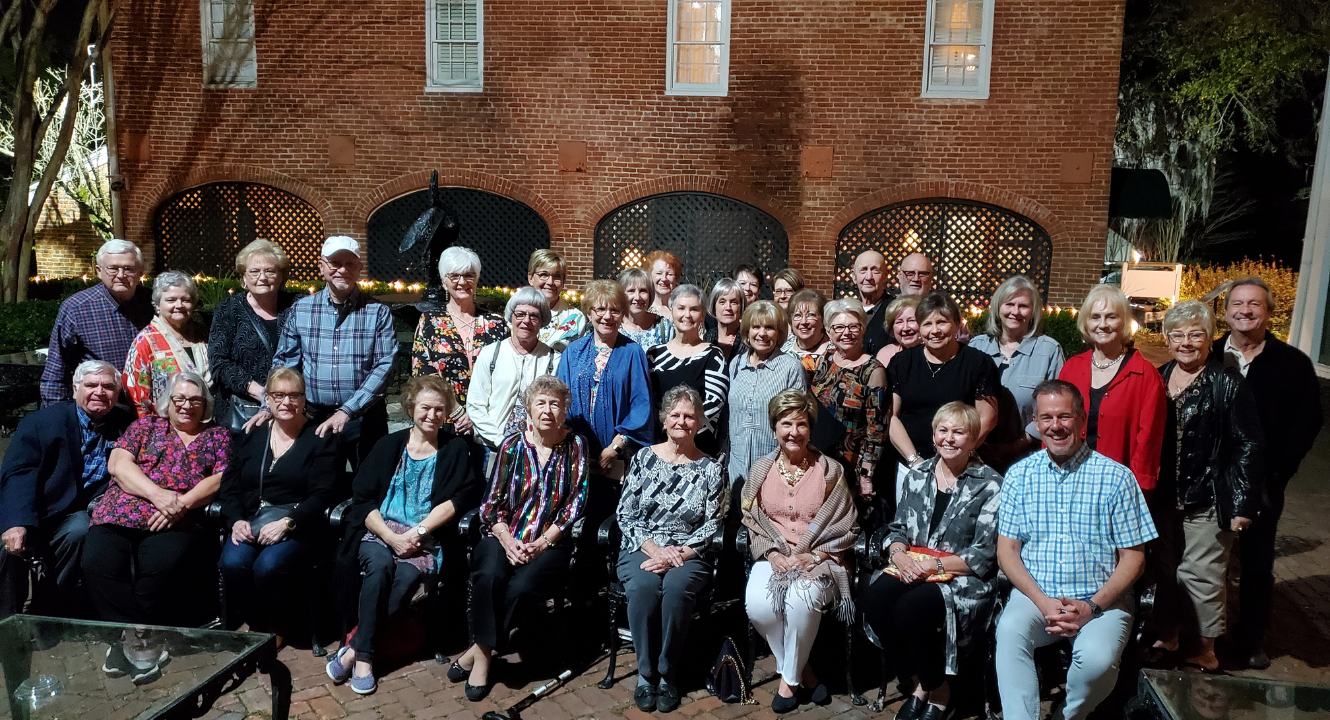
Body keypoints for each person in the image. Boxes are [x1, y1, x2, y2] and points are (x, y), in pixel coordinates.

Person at [995, 380, 1157, 720]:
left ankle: (1069, 716)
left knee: (1098, 660)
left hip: (1100, 598)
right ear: (1036, 423)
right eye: (1047, 418)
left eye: (1065, 416)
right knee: (1010, 633)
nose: (1056, 426)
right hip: (1036, 596)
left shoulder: (1117, 478)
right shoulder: (1019, 476)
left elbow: (1135, 558)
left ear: (1082, 420)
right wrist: (1042, 602)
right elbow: (1007, 550)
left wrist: (1091, 606)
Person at [326, 375, 481, 695]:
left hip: (424, 539)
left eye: (440, 409)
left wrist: (418, 531)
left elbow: (459, 499)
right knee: (380, 568)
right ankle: (366, 659)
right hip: (380, 532)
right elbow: (363, 499)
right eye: (425, 407)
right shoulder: (387, 447)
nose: (432, 415)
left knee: (408, 576)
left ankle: (353, 648)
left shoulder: (454, 450)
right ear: (411, 408)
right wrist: (392, 537)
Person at [863, 402, 1002, 720]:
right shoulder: (918, 475)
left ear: (973, 438)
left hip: (961, 576)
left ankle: (939, 689)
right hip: (912, 564)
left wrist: (936, 566)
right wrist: (898, 552)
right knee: (875, 598)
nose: (949, 439)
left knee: (912, 608)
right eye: (943, 431)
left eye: (959, 432)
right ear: (933, 435)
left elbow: (985, 553)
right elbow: (896, 528)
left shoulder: (989, 484)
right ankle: (916, 682)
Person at [454, 376, 589, 701]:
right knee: (489, 575)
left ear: (564, 410)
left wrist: (542, 543)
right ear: (528, 409)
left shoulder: (576, 446)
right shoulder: (512, 445)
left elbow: (576, 502)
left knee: (521, 588)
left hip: (550, 542)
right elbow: (490, 504)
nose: (547, 410)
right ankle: (485, 660)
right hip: (504, 535)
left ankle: (479, 651)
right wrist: (507, 540)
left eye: (555, 403)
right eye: (540, 403)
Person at [1148, 301, 1264, 672]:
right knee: (1165, 569)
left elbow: (1248, 444)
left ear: (1210, 339)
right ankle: (1169, 635)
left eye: (1195, 334)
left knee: (1200, 574)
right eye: (1177, 335)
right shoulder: (1159, 375)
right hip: (1166, 496)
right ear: (1167, 340)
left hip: (1209, 495)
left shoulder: (1226, 382)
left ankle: (1205, 648)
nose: (1186, 342)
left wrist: (1243, 503)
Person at [1219, 278, 1324, 669]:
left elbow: (1308, 422)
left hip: (1263, 482)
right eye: (1238, 303)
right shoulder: (1211, 355)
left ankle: (1250, 638)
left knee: (1256, 563)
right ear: (1225, 310)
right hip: (1210, 479)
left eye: (1255, 304)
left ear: (1269, 312)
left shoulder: (1292, 363)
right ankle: (1203, 634)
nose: (1245, 310)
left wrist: (1278, 471)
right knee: (1206, 558)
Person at [741, 390, 859, 714]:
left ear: (811, 428)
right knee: (759, 606)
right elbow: (751, 518)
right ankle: (804, 672)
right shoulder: (761, 470)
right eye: (786, 423)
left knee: (802, 600)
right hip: (776, 555)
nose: (794, 431)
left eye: (801, 424)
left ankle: (788, 683)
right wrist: (773, 554)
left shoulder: (830, 470)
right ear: (774, 427)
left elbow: (846, 524)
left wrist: (813, 556)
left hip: (820, 559)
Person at [82, 372, 232, 625]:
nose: (187, 406)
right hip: (121, 510)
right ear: (168, 401)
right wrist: (158, 495)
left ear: (205, 404)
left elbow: (220, 478)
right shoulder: (145, 426)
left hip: (175, 518)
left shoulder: (218, 435)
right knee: (96, 563)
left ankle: (135, 639)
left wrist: (179, 505)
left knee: (159, 571)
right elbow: (118, 465)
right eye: (180, 398)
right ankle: (134, 636)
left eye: (196, 400)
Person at [616, 386, 727, 713]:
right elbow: (625, 513)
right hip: (641, 545)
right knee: (645, 587)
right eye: (675, 415)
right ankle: (645, 673)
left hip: (689, 552)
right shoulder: (642, 459)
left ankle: (668, 673)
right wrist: (655, 550)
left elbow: (714, 522)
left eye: (690, 416)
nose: (682, 421)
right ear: (664, 421)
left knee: (678, 589)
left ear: (699, 423)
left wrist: (684, 552)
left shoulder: (711, 468)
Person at [0, 361, 133, 619]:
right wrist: (17, 522)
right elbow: (19, 473)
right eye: (91, 385)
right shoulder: (42, 423)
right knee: (8, 550)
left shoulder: (126, 424)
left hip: (76, 514)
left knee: (81, 530)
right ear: (75, 389)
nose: (99, 392)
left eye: (108, 386)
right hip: (36, 507)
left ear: (117, 393)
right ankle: (7, 623)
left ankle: (45, 611)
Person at [262, 236, 398, 481]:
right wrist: (269, 403)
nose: (342, 270)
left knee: (368, 486)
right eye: (335, 263)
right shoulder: (301, 310)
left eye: (350, 263)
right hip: (314, 417)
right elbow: (285, 363)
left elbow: (383, 367)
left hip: (363, 419)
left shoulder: (378, 313)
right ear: (322, 266)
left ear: (359, 268)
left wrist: (347, 410)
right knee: (317, 486)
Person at [218, 368, 339, 634]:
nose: (286, 402)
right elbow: (229, 485)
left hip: (298, 523)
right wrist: (235, 520)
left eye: (294, 395)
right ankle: (256, 619)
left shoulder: (320, 438)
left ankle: (277, 626)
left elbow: (322, 494)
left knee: (268, 567)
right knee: (233, 563)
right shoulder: (252, 433)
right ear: (268, 400)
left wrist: (289, 523)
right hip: (252, 518)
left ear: (304, 400)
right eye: (278, 395)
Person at [556, 280, 653, 529]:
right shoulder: (573, 352)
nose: (607, 316)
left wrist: (615, 447)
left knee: (608, 525)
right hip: (577, 456)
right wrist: (578, 448)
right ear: (589, 313)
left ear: (622, 314)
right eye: (600, 309)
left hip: (618, 458)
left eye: (614, 310)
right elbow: (561, 402)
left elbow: (641, 404)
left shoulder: (633, 352)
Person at [888, 292, 998, 503]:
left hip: (960, 467)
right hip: (912, 465)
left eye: (942, 322)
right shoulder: (902, 363)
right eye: (927, 324)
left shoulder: (978, 364)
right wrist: (916, 461)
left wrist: (955, 456)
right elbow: (891, 416)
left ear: (957, 325)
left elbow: (987, 419)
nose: (935, 331)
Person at [1059, 284, 1165, 496]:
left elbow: (1148, 443)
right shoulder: (1071, 368)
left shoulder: (1145, 375)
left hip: (1118, 489)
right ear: (1086, 323)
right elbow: (1055, 425)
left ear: (1124, 322)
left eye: (1111, 317)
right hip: (1069, 483)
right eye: (1095, 317)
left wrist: (1138, 492)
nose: (1103, 324)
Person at [40, 239, 153, 406]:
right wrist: (59, 420)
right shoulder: (77, 309)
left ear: (140, 272)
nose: (121, 275)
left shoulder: (155, 304)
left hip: (150, 408)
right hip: (102, 410)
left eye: (128, 268)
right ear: (99, 271)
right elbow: (56, 373)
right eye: (113, 268)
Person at [969, 276, 1065, 472]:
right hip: (974, 459)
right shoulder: (977, 346)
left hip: (1027, 459)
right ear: (998, 307)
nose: (1015, 311)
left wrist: (1014, 448)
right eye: (1009, 304)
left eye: (1023, 306)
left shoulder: (1048, 350)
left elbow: (1056, 409)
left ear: (1033, 312)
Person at [412, 246, 510, 428]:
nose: (462, 282)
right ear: (443, 282)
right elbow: (423, 373)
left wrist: (479, 415)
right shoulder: (430, 321)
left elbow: (508, 372)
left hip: (491, 420)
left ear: (477, 279)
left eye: (469, 275)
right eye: (454, 276)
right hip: (445, 420)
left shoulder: (496, 323)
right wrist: (457, 413)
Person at [209, 239, 298, 431]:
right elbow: (219, 363)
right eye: (255, 271)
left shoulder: (296, 305)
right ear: (243, 278)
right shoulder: (229, 309)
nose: (262, 277)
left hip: (292, 409)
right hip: (244, 409)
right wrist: (261, 393)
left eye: (270, 271)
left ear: (282, 275)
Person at [466, 287, 561, 453]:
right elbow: (475, 405)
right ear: (511, 316)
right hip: (491, 447)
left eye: (534, 316)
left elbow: (558, 408)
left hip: (536, 450)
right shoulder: (491, 354)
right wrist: (500, 441)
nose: (526, 321)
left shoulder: (553, 359)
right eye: (520, 314)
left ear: (542, 321)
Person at [810, 298, 886, 499]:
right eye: (839, 327)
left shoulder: (873, 370)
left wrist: (866, 475)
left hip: (848, 462)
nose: (846, 333)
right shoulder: (826, 357)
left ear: (863, 329)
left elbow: (876, 428)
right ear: (828, 331)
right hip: (816, 455)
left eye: (853, 326)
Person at [726, 301, 808, 486]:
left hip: (775, 467)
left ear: (778, 332)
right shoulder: (736, 364)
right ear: (748, 330)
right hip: (737, 468)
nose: (762, 333)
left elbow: (798, 420)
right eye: (756, 327)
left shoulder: (791, 368)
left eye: (769, 327)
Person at [646, 285, 728, 455]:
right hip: (661, 445)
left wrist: (683, 430)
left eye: (694, 309)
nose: (687, 315)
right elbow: (649, 401)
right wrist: (669, 431)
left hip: (698, 446)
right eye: (681, 308)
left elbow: (715, 402)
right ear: (671, 311)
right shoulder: (654, 354)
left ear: (703, 314)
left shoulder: (713, 355)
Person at [123, 271, 211, 417]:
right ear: (157, 304)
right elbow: (137, 398)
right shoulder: (145, 342)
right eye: (171, 300)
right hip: (164, 429)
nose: (179, 305)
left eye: (186, 300)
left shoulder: (204, 335)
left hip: (207, 424)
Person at [527, 249, 588, 351]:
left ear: (563, 281)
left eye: (557, 276)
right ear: (531, 278)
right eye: (544, 275)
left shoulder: (576, 319)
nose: (550, 282)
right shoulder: (517, 314)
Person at [619, 268, 674, 350]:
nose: (637, 297)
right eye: (631, 291)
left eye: (643, 291)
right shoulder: (614, 327)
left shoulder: (664, 327)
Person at [854, 251, 895, 356]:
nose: (869, 277)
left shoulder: (895, 310)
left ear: (886, 275)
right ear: (854, 276)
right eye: (863, 270)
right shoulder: (847, 311)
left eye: (875, 270)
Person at [783, 289, 832, 376]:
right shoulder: (784, 350)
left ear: (823, 319)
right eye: (798, 315)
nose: (803, 322)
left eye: (811, 315)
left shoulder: (835, 351)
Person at [704, 277, 747, 362]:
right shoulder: (707, 338)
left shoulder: (748, 340)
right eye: (722, 302)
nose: (728, 307)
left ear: (741, 307)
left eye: (734, 302)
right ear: (714, 306)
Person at [875, 295, 922, 368]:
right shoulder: (887, 354)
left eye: (911, 321)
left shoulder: (934, 352)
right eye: (899, 322)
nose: (905, 328)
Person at [645, 250, 682, 317]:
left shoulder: (684, 308)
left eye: (669, 274)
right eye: (659, 273)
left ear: (676, 278)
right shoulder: (643, 309)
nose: (664, 278)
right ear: (649, 276)